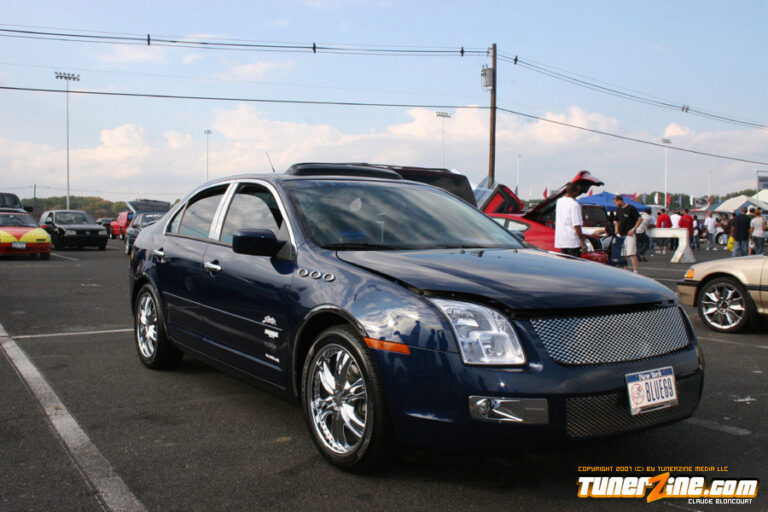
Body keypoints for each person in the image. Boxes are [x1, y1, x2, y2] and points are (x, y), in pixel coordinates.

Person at [554, 182, 587, 257]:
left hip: (562, 241)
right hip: (573, 242)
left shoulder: (559, 201)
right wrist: (582, 241)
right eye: (578, 192)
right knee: (574, 263)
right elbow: (577, 225)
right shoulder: (574, 204)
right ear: (574, 193)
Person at [613, 195, 642, 272]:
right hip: (621, 234)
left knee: (631, 253)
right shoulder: (618, 210)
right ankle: (625, 270)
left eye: (616, 202)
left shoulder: (631, 208)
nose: (615, 204)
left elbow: (640, 219)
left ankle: (635, 270)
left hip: (630, 234)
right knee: (623, 254)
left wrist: (633, 229)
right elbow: (617, 220)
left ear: (620, 200)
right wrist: (617, 229)